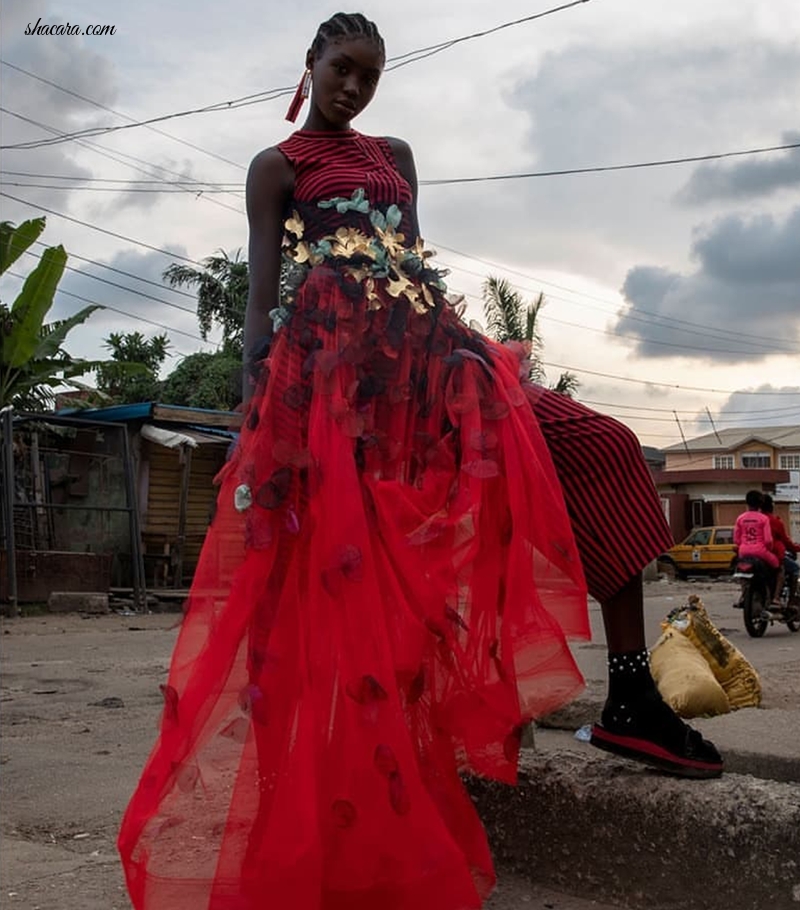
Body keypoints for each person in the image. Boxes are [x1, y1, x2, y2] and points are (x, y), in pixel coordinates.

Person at [117, 14, 722, 909]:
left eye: (370, 74)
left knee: (601, 445)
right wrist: (263, 411)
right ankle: (366, 780)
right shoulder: (276, 167)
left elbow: (415, 268)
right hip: (335, 391)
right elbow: (257, 303)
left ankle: (630, 697)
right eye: (342, 68)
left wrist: (459, 346)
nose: (354, 87)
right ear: (311, 63)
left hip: (434, 365)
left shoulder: (395, 153)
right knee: (355, 583)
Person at [761, 493, 799, 606]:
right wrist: (797, 548)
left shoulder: (755, 520)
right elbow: (786, 542)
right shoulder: (774, 521)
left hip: (752, 555)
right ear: (771, 506)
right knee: (795, 568)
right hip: (773, 554)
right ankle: (790, 601)